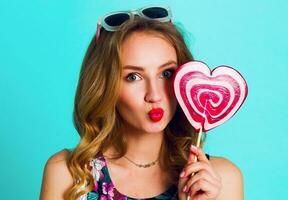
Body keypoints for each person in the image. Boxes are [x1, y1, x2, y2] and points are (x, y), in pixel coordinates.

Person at [40, 5, 243, 200]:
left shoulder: (221, 181)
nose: (154, 95)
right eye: (133, 77)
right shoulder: (69, 176)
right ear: (105, 85)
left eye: (166, 73)